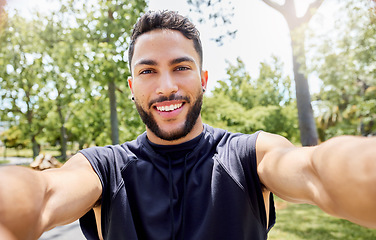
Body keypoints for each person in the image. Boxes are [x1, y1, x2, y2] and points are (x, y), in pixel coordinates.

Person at [0, 10, 375, 240]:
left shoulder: (249, 155)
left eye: (181, 67)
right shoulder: (102, 167)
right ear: (132, 87)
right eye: (148, 71)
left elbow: (315, 170)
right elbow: (44, 193)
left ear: (203, 78)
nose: (166, 87)